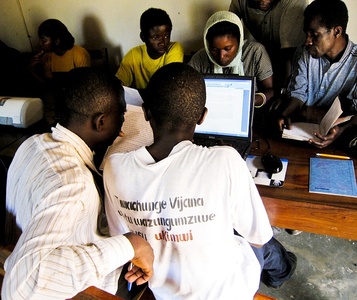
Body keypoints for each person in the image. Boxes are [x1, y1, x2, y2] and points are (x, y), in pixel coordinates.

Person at [104, 63, 296, 299]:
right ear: (203, 116)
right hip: (232, 292)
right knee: (264, 242)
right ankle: (284, 272)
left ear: (145, 113)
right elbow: (258, 239)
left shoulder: (114, 168)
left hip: (165, 293)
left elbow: (124, 242)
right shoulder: (226, 160)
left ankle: (284, 267)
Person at [2, 68, 154, 299]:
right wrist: (130, 245)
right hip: (85, 292)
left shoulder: (33, 143)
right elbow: (21, 286)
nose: (124, 122)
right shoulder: (74, 185)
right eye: (121, 115)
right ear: (101, 121)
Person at [277, 0, 357, 152]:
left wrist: (341, 130)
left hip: (340, 138)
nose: (307, 41)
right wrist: (285, 113)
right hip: (302, 134)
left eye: (314, 35)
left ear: (337, 31)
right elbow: (298, 93)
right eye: (306, 34)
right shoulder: (304, 53)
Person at [188, 10, 274, 109]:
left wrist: (251, 100)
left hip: (251, 112)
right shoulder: (200, 58)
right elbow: (187, 91)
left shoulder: (255, 52)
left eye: (227, 49)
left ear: (239, 41)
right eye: (214, 49)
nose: (221, 56)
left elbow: (270, 90)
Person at [229, 0, 308, 93]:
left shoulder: (295, 2)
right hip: (266, 57)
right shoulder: (239, 1)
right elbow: (228, 34)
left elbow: (290, 55)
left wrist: (282, 93)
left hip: (293, 62)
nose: (263, 0)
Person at [115, 7, 184, 91]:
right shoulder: (133, 55)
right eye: (155, 38)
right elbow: (117, 85)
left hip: (165, 101)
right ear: (143, 37)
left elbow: (169, 85)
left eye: (166, 36)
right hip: (141, 103)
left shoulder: (174, 48)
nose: (162, 42)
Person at [29, 19, 91, 84]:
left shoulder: (79, 54)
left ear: (56, 41)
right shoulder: (47, 57)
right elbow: (49, 85)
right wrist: (31, 70)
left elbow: (84, 84)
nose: (40, 43)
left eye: (44, 41)